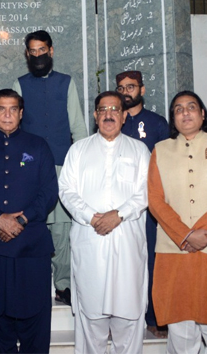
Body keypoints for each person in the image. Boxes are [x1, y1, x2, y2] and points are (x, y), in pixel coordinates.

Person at [148, 90, 207, 354]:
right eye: (178, 109)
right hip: (174, 251)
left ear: (202, 114)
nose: (185, 112)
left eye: (191, 107)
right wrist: (185, 235)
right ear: (173, 118)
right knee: (181, 329)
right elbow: (155, 200)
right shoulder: (160, 150)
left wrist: (205, 230)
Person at [58, 91, 151, 354]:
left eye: (114, 109)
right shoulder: (78, 150)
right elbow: (66, 189)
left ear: (123, 116)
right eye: (102, 109)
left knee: (129, 320)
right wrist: (91, 216)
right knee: (91, 320)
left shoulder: (139, 149)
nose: (108, 114)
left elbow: (148, 190)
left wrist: (118, 214)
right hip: (91, 242)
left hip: (127, 244)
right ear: (95, 115)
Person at [0, 89, 58, 353]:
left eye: (13, 109)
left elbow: (49, 191)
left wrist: (20, 220)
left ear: (21, 113)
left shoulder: (38, 145)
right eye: (1, 109)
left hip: (31, 246)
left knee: (35, 317)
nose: (7, 115)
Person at [13, 29, 88, 306]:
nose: (37, 55)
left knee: (61, 229)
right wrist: (20, 166)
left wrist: (80, 165)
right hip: (29, 166)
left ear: (51, 51)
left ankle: (63, 284)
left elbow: (78, 127)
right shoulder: (19, 84)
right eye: (32, 52)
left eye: (41, 50)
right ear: (27, 55)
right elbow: (15, 128)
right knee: (33, 225)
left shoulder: (66, 83)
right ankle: (33, 283)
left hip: (61, 164)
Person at [115, 70, 170, 338]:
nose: (126, 92)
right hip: (119, 207)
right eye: (122, 88)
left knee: (152, 259)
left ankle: (154, 315)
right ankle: (121, 317)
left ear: (142, 90)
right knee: (122, 262)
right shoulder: (113, 121)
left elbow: (167, 165)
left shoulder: (157, 123)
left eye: (131, 87)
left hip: (150, 206)